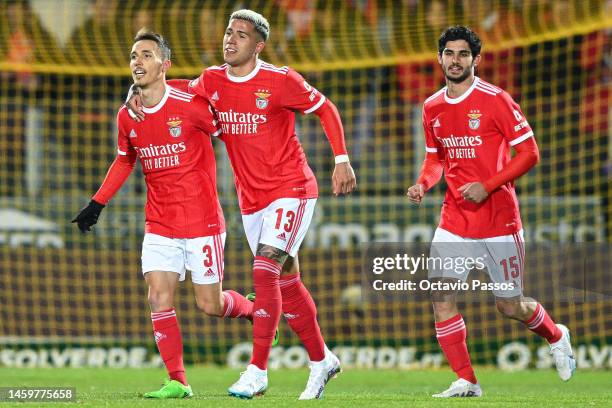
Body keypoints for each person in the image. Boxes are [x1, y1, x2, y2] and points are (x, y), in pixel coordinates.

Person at [126, 9, 356, 400]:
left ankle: (257, 370)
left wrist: (341, 159)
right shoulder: (212, 80)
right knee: (287, 279)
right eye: (229, 32)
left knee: (264, 270)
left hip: (292, 187)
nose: (230, 40)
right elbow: (174, 85)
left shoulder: (281, 80)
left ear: (259, 45)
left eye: (241, 35)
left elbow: (326, 109)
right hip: (252, 201)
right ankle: (322, 360)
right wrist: (136, 91)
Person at [72, 31, 257, 399]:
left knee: (210, 305)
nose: (137, 61)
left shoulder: (192, 101)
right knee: (158, 296)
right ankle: (178, 381)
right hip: (159, 224)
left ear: (164, 65)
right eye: (133, 55)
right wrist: (97, 203)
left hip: (203, 221)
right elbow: (125, 160)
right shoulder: (128, 115)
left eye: (146, 55)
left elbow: (231, 130)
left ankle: (253, 309)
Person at [407, 26, 576, 398]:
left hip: (499, 220)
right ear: (439, 59)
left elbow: (530, 153)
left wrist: (488, 184)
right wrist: (424, 182)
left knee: (509, 305)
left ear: (476, 60)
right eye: (449, 53)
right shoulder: (432, 106)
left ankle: (556, 334)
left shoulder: (496, 100)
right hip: (454, 220)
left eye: (463, 54)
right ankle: (467, 380)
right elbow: (435, 159)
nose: (455, 60)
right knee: (441, 296)